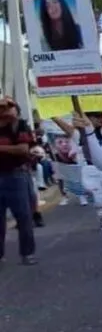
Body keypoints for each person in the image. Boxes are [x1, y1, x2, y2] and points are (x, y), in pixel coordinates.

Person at [50, 111, 102, 257]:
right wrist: (52, 113)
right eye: (91, 117)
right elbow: (63, 125)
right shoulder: (77, 134)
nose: (93, 120)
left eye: (96, 117)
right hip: (90, 173)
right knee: (101, 209)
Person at [0, 97, 37, 265]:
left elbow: (23, 148)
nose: (4, 110)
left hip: (16, 176)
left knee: (23, 216)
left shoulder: (19, 125)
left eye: (8, 107)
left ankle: (27, 253)